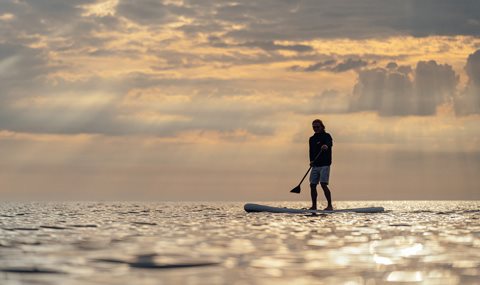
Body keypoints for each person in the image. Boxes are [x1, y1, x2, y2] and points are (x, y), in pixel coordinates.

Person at [309, 119, 333, 210]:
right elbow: (311, 151)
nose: (315, 128)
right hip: (315, 165)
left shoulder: (327, 136)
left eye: (317, 127)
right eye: (314, 127)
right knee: (312, 185)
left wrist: (326, 146)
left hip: (325, 164)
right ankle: (314, 206)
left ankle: (330, 206)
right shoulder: (312, 139)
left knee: (323, 184)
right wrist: (311, 161)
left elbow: (329, 143)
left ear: (322, 127)